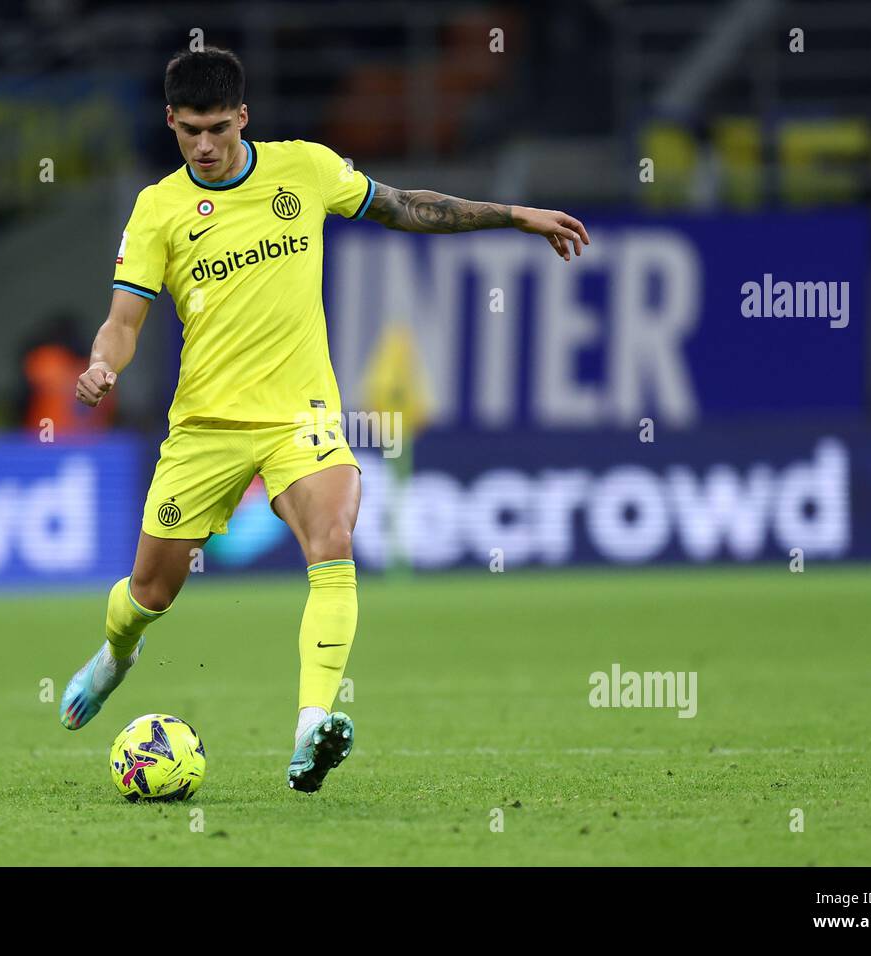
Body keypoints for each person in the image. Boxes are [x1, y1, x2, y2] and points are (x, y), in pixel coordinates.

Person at [60, 47, 589, 793]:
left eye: (216, 128)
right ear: (171, 125)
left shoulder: (303, 169)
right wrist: (104, 363)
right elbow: (123, 320)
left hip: (299, 416)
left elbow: (402, 205)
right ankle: (117, 655)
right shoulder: (159, 208)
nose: (204, 146)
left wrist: (511, 215)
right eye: (188, 132)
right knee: (151, 592)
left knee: (332, 538)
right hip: (207, 427)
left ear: (243, 117)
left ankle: (313, 725)